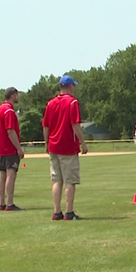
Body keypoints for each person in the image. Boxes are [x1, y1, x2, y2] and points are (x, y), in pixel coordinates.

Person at [42, 75, 89, 220]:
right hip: (68, 146)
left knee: (57, 180)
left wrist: (46, 143)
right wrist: (83, 142)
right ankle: (69, 212)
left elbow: (46, 126)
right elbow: (75, 124)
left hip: (54, 146)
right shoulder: (72, 102)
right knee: (70, 181)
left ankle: (57, 212)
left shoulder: (50, 103)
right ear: (70, 86)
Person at [0, 87, 25, 212]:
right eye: (17, 95)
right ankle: (10, 203)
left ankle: (2, 203)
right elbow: (10, 131)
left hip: (0, 147)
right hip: (9, 147)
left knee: (2, 175)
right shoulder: (9, 111)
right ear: (13, 95)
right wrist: (19, 148)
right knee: (11, 175)